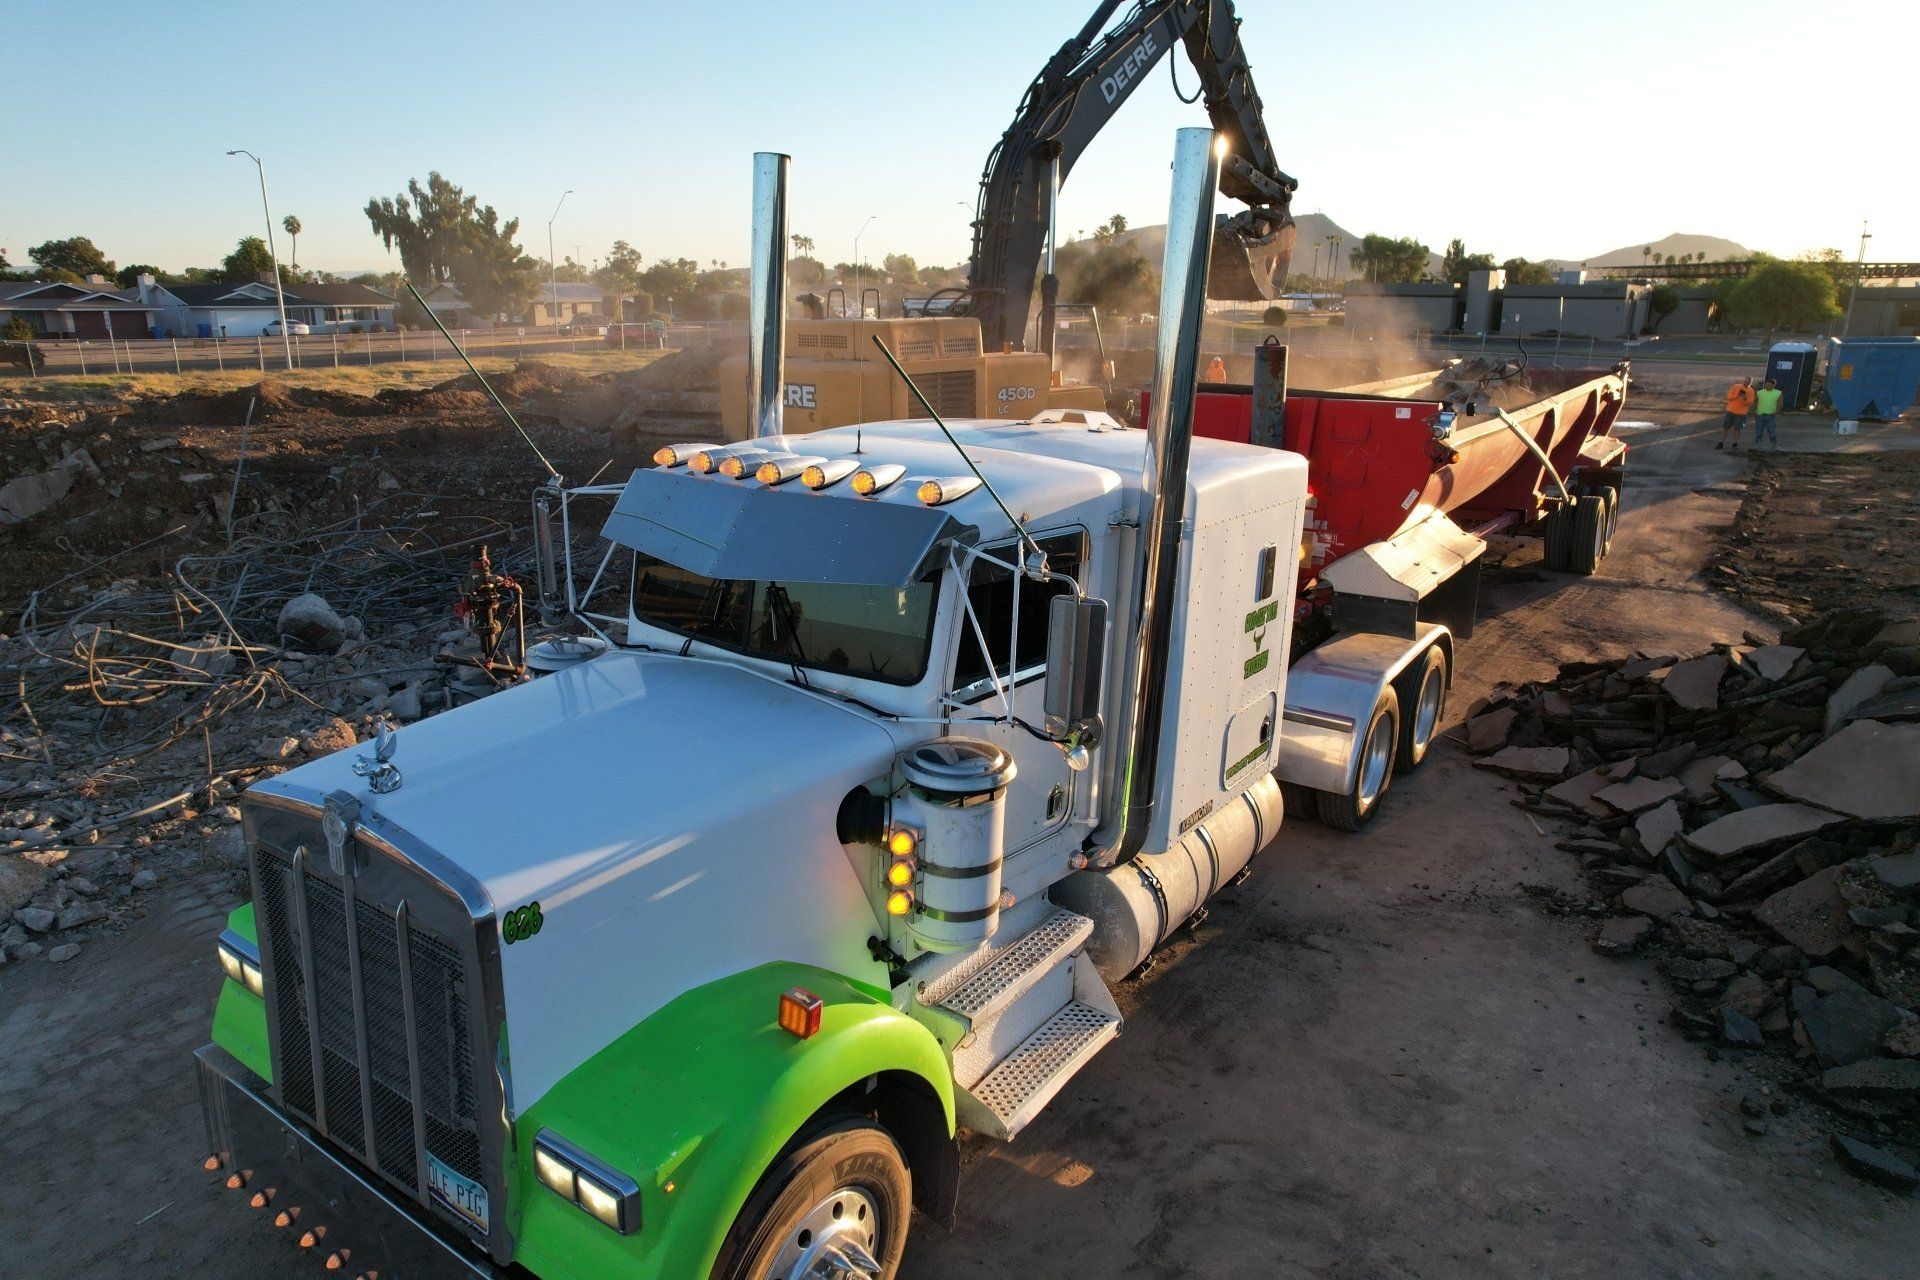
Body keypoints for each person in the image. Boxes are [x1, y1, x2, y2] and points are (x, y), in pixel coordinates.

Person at [1719, 377, 1755, 450]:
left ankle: (1735, 443)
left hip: (1741, 413)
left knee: (1737, 428)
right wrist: (1736, 395)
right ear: (1743, 380)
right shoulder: (1736, 386)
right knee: (1725, 427)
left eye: (1749, 382)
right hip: (1730, 411)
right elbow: (1728, 397)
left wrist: (1745, 398)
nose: (1747, 383)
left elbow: (1750, 402)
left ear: (1750, 383)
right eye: (1746, 381)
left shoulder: (1751, 391)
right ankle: (1721, 442)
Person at [1752, 378, 1783, 449]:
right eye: (1766, 384)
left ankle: (1774, 444)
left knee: (1772, 431)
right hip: (1760, 415)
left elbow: (1780, 404)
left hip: (1770, 415)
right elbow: (1754, 401)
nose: (1766, 386)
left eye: (1768, 384)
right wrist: (1754, 411)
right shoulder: (1760, 392)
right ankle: (1758, 444)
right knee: (1759, 431)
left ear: (1773, 385)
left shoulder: (1778, 393)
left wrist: (1776, 412)